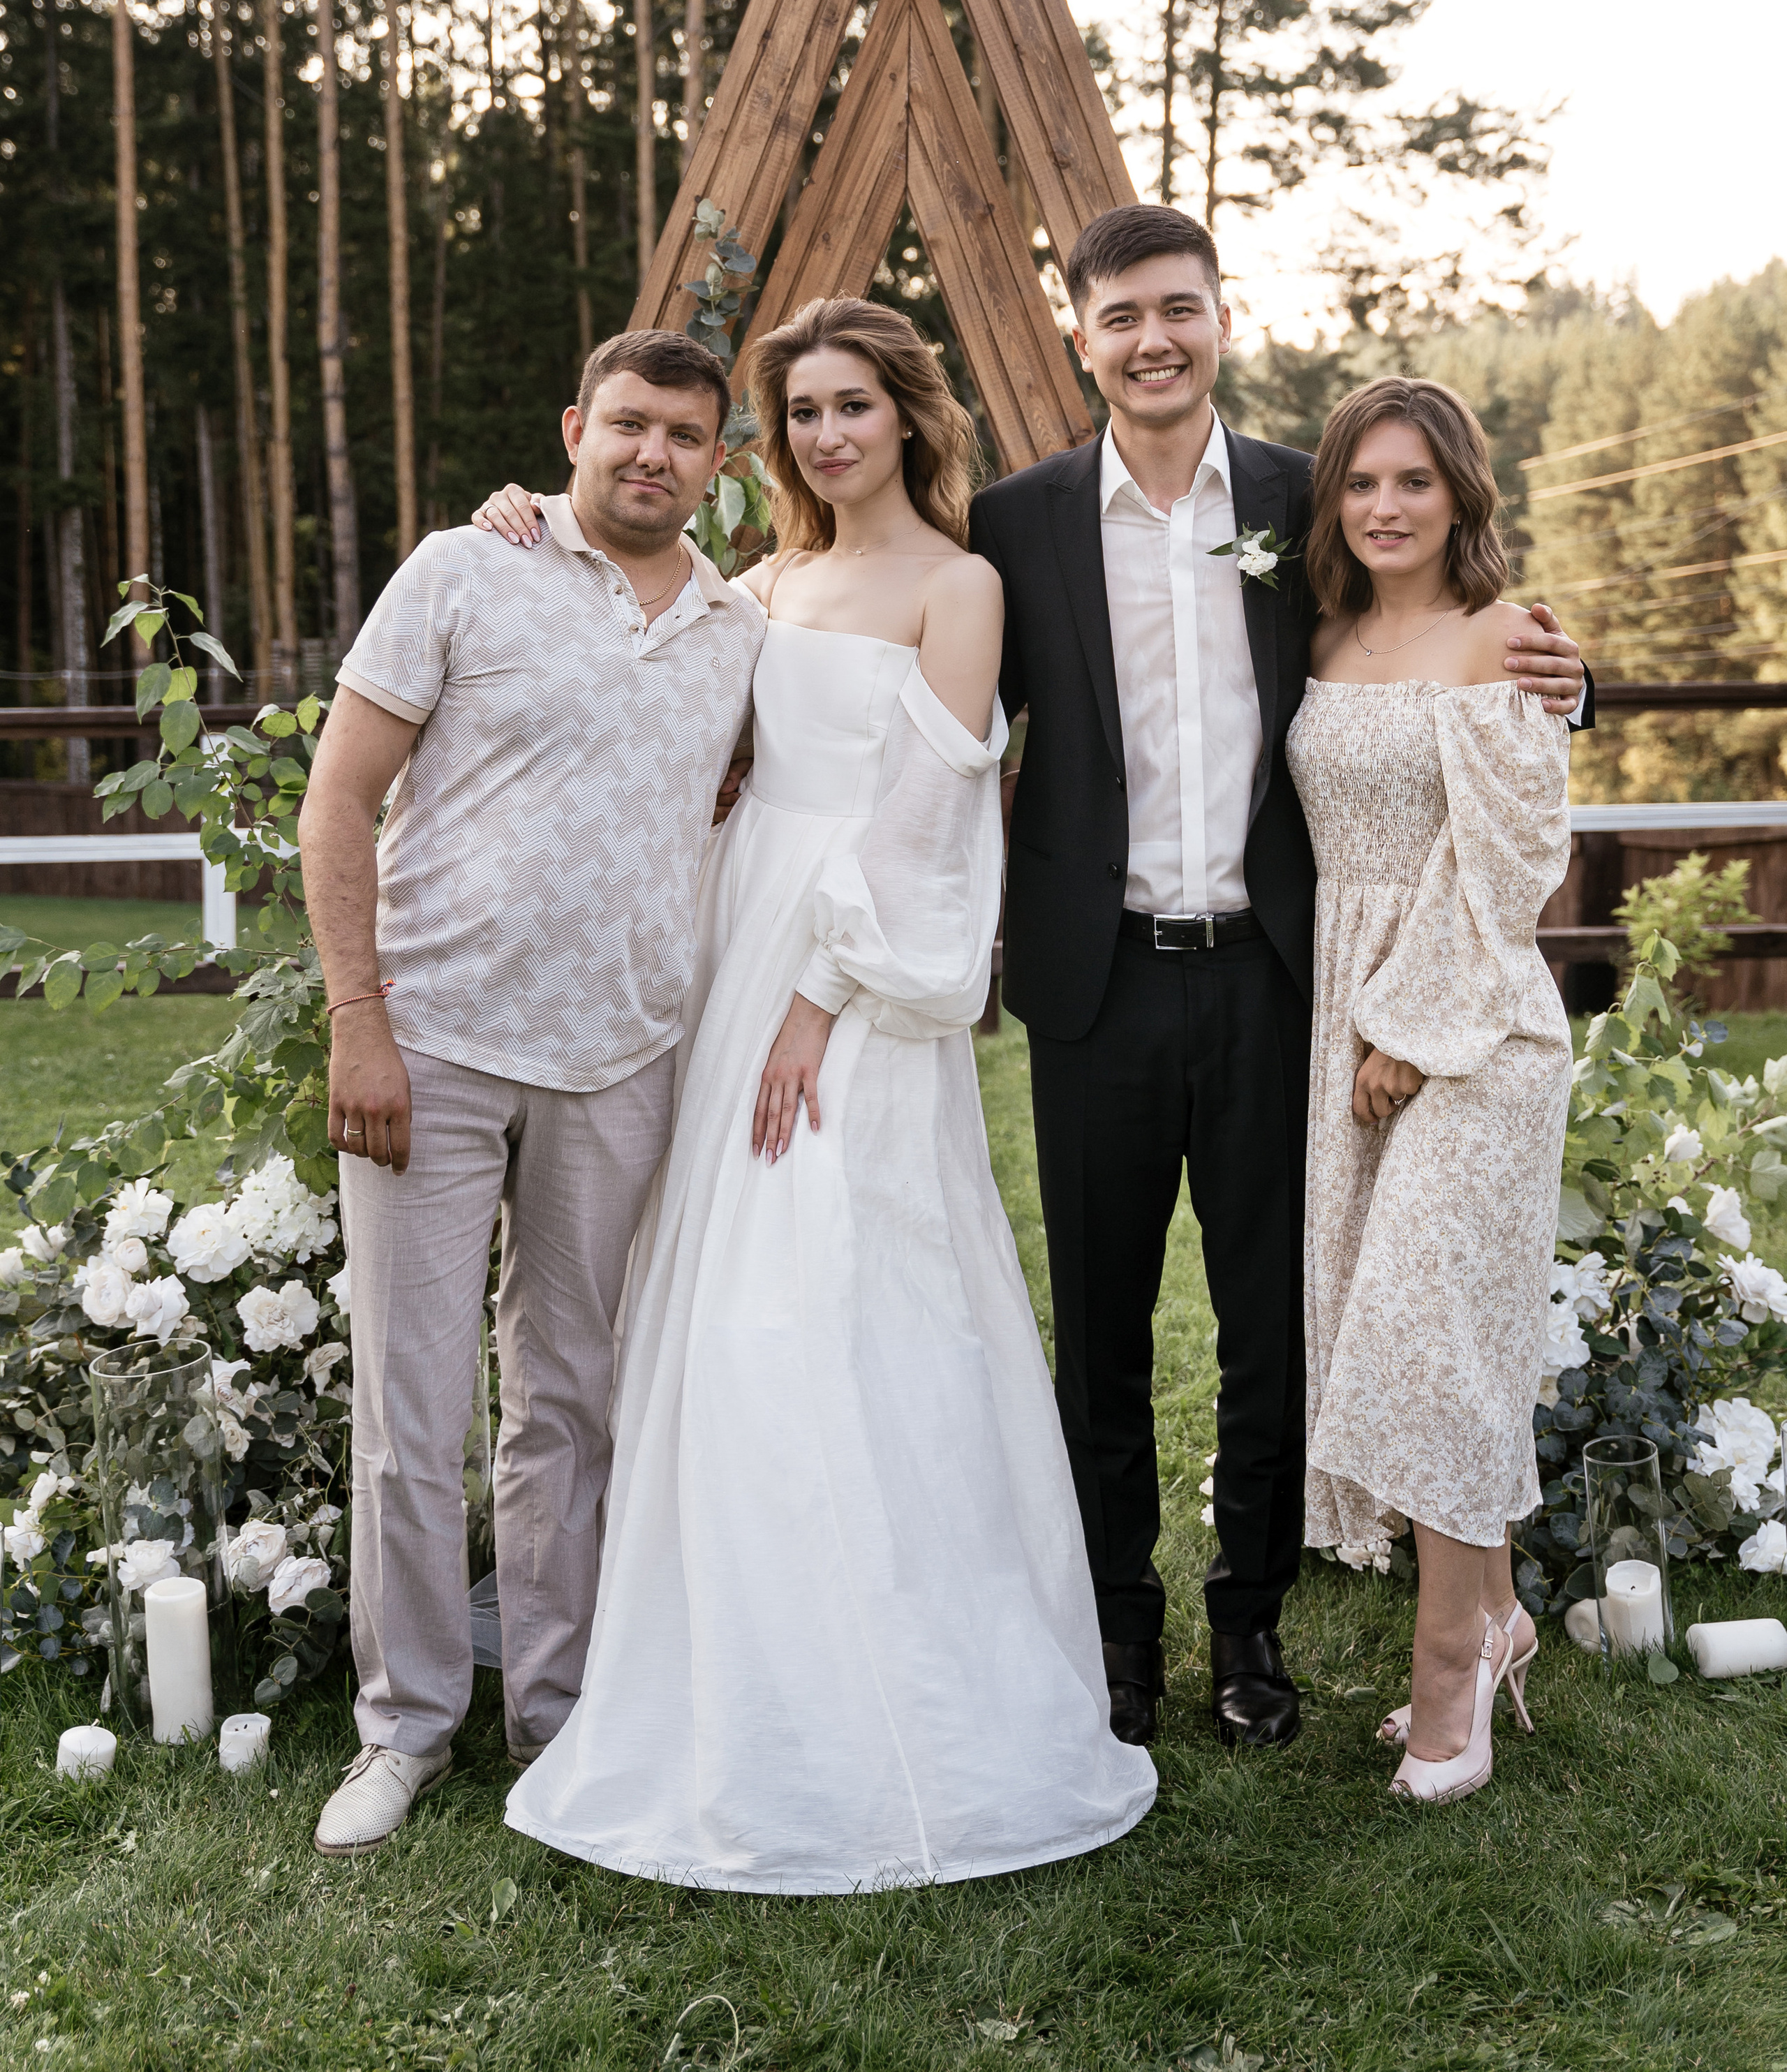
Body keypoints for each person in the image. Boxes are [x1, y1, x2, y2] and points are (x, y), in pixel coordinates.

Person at [480, 297, 1155, 1891]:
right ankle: (728, 1659)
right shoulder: (761, 583)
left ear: (908, 417)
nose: (827, 435)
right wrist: (514, 517)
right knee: (708, 1301)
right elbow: (621, 635)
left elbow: (930, 817)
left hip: (852, 979)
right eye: (799, 414)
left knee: (841, 1291)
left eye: (853, 405)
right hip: (731, 953)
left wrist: (815, 1002)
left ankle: (890, 1683)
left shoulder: (959, 584)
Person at [967, 203, 1587, 1752]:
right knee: (1098, 1331)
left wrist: (1577, 685)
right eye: (1120, 316)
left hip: (1277, 978)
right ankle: (1117, 1636)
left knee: (1269, 1319)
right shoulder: (1015, 521)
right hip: (1094, 978)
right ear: (1081, 334)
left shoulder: (1299, 496)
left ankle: (1250, 1631)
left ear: (1219, 318)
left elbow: (1437, 629)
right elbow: (882, 638)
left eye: (1178, 308)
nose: (1152, 339)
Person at [296, 330, 764, 1857]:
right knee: (413, 1408)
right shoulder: (460, 567)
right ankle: (404, 1729)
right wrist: (358, 1019)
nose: (652, 455)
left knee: (571, 1402)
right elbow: (337, 802)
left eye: (685, 437)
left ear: (717, 461)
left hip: (623, 1056)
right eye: (627, 424)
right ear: (575, 426)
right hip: (428, 1045)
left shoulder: (737, 628)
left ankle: (555, 1720)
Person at [1288, 377, 1573, 1803]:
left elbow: (1511, 862)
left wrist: (1405, 1025)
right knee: (1408, 1327)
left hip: (1474, 1024)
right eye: (1359, 483)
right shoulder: (1322, 630)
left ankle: (1445, 1663)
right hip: (1344, 1006)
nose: (1384, 507)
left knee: (1425, 1325)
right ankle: (1500, 1605)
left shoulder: (1496, 637)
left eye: (1412, 481)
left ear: (1459, 491)